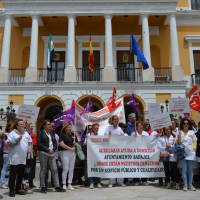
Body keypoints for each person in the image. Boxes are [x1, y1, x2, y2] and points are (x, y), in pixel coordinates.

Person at [37, 120, 65, 193]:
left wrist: (53, 149)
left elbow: (55, 143)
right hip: (43, 153)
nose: (50, 126)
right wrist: (47, 150)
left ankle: (57, 186)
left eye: (51, 125)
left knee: (55, 169)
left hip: (52, 154)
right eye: (49, 124)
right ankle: (43, 186)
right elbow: (39, 144)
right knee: (43, 170)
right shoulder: (40, 133)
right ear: (44, 125)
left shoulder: (52, 134)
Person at [7, 119, 32, 197]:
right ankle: (11, 190)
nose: (22, 125)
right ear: (17, 126)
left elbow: (30, 142)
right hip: (15, 158)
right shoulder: (13, 133)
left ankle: (18, 189)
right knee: (13, 175)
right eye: (20, 124)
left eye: (23, 124)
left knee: (21, 175)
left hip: (23, 158)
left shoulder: (26, 134)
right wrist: (17, 140)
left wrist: (30, 149)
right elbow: (9, 144)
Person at [104, 115, 126, 188]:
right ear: (112, 120)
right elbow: (105, 137)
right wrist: (108, 136)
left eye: (117, 119)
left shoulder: (119, 129)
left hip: (119, 150)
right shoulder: (108, 128)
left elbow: (124, 136)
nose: (116, 120)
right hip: (111, 149)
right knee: (112, 165)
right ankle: (111, 181)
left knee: (120, 165)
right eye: (114, 119)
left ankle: (120, 181)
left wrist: (122, 137)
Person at [178, 118, 197, 191]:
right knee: (184, 169)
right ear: (182, 125)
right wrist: (178, 139)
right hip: (182, 153)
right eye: (184, 123)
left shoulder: (192, 132)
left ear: (189, 125)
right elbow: (178, 143)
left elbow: (195, 141)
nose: (186, 124)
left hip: (191, 153)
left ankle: (190, 184)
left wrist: (194, 149)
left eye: (187, 123)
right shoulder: (179, 132)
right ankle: (185, 184)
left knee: (190, 170)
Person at [59, 122, 78, 190]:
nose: (70, 128)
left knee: (71, 169)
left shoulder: (74, 135)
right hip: (65, 152)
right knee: (65, 169)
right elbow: (62, 144)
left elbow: (77, 145)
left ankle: (69, 183)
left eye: (70, 127)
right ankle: (64, 183)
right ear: (65, 128)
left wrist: (75, 144)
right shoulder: (62, 135)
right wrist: (70, 148)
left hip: (73, 153)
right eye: (68, 127)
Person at [131, 121, 149, 185]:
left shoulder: (146, 133)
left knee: (143, 166)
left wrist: (146, 138)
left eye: (141, 125)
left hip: (144, 152)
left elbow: (149, 142)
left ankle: (144, 180)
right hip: (136, 152)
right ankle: (136, 180)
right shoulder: (133, 134)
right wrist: (134, 138)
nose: (141, 126)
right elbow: (130, 143)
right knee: (137, 166)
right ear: (136, 127)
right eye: (139, 125)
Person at [86, 123, 102, 189]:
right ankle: (91, 183)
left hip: (98, 155)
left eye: (97, 128)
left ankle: (98, 182)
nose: (96, 129)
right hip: (91, 155)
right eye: (95, 128)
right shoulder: (89, 135)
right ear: (92, 129)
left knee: (99, 168)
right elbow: (86, 145)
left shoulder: (100, 135)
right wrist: (87, 139)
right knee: (91, 168)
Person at [45, 122, 60, 188]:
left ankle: (54, 184)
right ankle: (44, 184)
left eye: (54, 126)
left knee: (54, 170)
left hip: (55, 155)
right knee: (46, 171)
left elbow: (57, 145)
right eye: (52, 126)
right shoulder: (46, 134)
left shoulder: (57, 136)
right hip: (47, 154)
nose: (53, 127)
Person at [1, 122, 12, 189]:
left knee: (12, 169)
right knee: (5, 168)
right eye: (12, 126)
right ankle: (2, 183)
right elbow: (5, 143)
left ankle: (9, 183)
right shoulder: (5, 135)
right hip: (7, 153)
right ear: (9, 127)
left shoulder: (14, 134)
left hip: (12, 154)